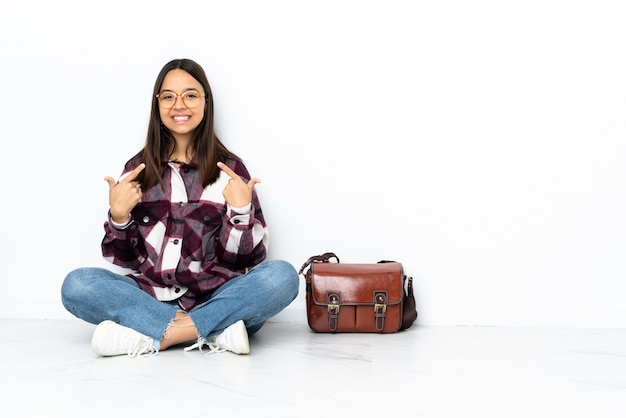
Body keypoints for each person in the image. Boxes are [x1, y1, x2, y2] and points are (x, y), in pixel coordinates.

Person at [61, 58, 299, 357]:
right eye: (169, 96)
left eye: (190, 95)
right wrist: (119, 218)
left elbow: (242, 263)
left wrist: (240, 214)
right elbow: (125, 261)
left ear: (205, 102)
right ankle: (211, 332)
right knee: (77, 285)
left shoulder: (231, 170)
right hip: (149, 297)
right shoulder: (137, 170)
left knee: (281, 277)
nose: (179, 105)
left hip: (217, 297)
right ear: (157, 104)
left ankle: (154, 335)